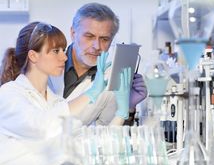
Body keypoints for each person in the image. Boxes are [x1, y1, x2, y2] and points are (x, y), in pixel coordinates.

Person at [0, 21, 131, 140]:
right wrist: (91, 93)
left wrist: (121, 114)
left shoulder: (55, 101)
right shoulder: (8, 93)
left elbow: (87, 143)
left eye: (63, 50)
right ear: (33, 56)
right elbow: (41, 128)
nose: (64, 57)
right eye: (56, 51)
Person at [49, 2, 147, 125]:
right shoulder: (47, 64)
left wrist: (129, 106)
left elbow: (109, 135)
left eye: (104, 39)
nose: (97, 46)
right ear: (73, 34)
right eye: (89, 36)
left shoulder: (111, 78)